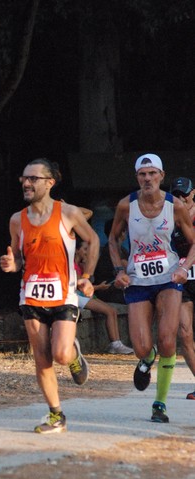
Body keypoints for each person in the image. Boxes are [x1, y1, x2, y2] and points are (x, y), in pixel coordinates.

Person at [0, 158, 99, 434]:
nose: (27, 183)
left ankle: (74, 355)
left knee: (61, 354)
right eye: (24, 178)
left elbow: (92, 239)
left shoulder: (67, 213)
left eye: (33, 178)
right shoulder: (16, 221)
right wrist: (12, 265)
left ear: (50, 182)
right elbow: (18, 258)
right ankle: (57, 415)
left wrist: (87, 277)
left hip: (64, 295)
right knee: (42, 358)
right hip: (31, 296)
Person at [109, 153, 195, 423]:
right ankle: (148, 358)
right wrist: (119, 270)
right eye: (142, 174)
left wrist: (183, 268)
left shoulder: (176, 206)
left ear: (161, 176)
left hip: (169, 278)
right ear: (137, 177)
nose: (147, 178)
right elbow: (112, 239)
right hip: (138, 279)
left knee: (169, 340)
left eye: (152, 173)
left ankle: (160, 404)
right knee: (140, 346)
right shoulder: (126, 205)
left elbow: (194, 243)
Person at [75, 238, 133, 354]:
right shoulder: (71, 265)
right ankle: (115, 344)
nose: (87, 252)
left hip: (83, 296)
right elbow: (79, 286)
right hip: (76, 296)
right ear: (76, 250)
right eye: (85, 249)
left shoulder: (80, 264)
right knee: (109, 310)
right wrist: (99, 288)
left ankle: (116, 343)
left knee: (112, 310)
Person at [170, 177, 195, 399]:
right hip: (181, 280)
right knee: (185, 333)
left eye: (184, 194)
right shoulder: (169, 218)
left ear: (193, 193)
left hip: (187, 271)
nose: (181, 199)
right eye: (176, 195)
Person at [93, 218, 128, 304]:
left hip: (115, 289)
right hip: (108, 290)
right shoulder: (111, 249)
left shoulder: (121, 249)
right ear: (122, 232)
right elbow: (128, 267)